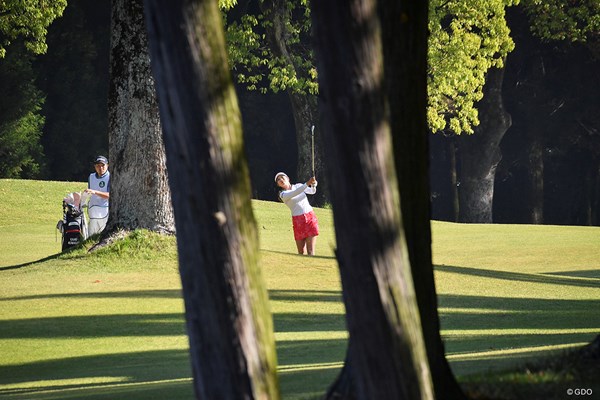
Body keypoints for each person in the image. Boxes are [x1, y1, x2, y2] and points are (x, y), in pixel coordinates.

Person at [275, 172, 319, 255]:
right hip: (298, 221)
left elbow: (312, 191)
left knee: (310, 251)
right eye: (278, 179)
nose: (280, 179)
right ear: (278, 184)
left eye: (282, 177)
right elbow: (295, 193)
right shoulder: (282, 194)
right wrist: (307, 183)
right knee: (301, 252)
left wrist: (313, 184)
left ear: (288, 178)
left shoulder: (298, 185)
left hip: (310, 217)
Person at [85, 155, 110, 236]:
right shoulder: (91, 177)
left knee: (102, 235)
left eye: (103, 165)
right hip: (93, 210)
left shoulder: (110, 177)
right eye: (98, 166)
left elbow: (109, 195)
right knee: (91, 236)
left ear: (107, 165)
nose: (100, 168)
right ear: (95, 166)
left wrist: (95, 192)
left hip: (104, 210)